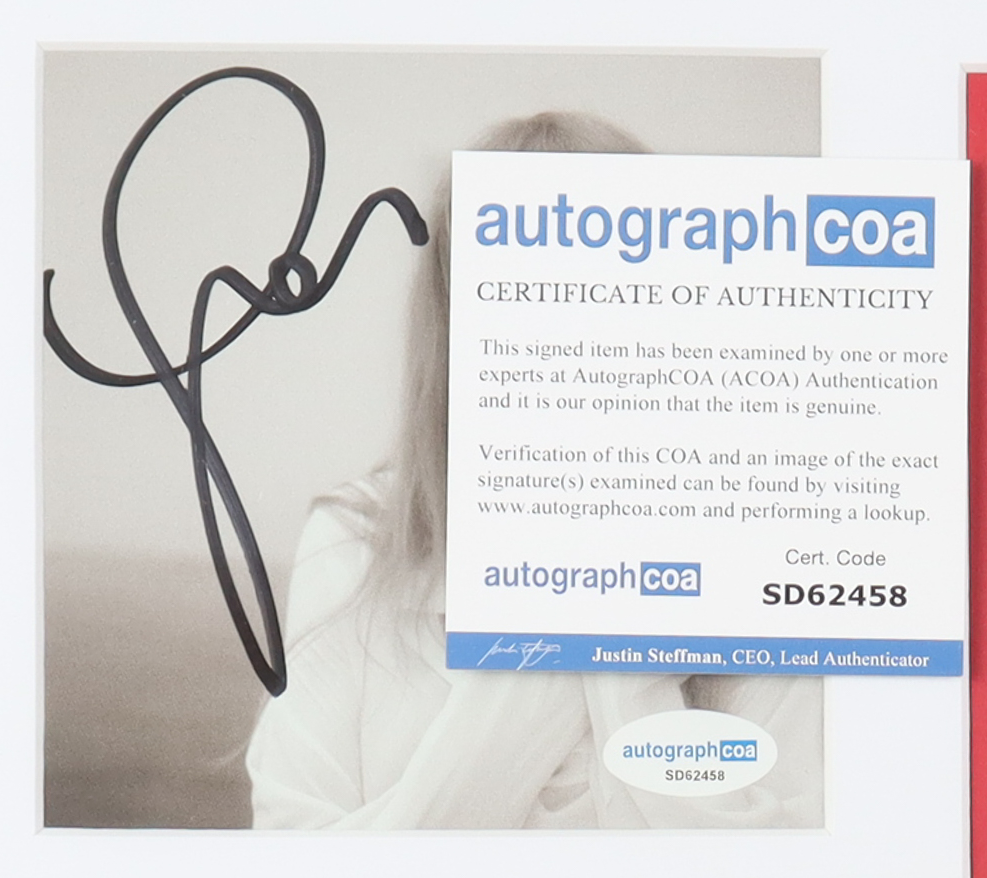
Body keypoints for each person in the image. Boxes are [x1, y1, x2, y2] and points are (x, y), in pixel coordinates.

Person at [245, 112, 824, 830]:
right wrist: (548, 653)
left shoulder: (777, 557)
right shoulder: (360, 542)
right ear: (452, 316)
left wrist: (620, 650)